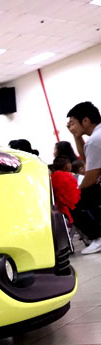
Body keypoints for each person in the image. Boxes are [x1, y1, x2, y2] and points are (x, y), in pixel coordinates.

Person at [66, 102, 101, 254]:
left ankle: (97, 237)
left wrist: (76, 190)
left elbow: (91, 178)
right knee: (88, 196)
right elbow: (86, 157)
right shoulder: (95, 138)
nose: (71, 127)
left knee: (70, 201)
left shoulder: (94, 140)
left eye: (73, 123)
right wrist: (76, 136)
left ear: (85, 120)